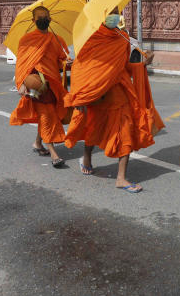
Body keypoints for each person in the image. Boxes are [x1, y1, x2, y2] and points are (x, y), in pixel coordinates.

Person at [63, 10, 164, 192]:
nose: (115, 17)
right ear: (102, 16)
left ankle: (121, 178)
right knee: (93, 127)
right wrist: (81, 96)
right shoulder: (91, 39)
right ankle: (87, 158)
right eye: (111, 13)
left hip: (119, 91)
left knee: (125, 129)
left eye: (117, 13)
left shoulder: (122, 37)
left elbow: (124, 65)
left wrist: (143, 64)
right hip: (98, 93)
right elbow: (81, 67)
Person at [9, 6, 71, 167]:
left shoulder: (57, 39)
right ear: (33, 20)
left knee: (51, 114)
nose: (43, 20)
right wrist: (21, 83)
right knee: (47, 115)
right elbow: (21, 64)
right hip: (36, 84)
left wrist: (67, 63)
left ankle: (38, 143)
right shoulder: (26, 40)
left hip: (53, 84)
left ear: (50, 19)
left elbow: (60, 61)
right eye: (39, 17)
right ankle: (53, 153)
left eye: (45, 17)